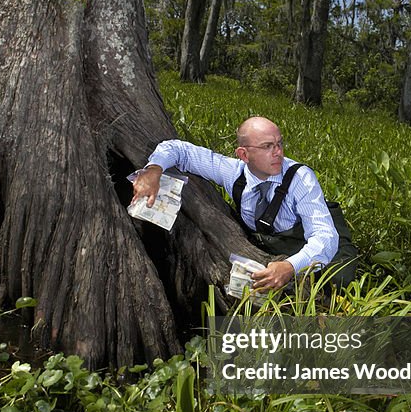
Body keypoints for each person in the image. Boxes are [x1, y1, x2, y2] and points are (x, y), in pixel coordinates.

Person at [131, 116, 346, 292]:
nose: (278, 152)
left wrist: (290, 266)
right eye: (267, 146)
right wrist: (154, 170)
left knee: (335, 284)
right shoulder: (233, 173)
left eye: (279, 143)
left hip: (318, 242)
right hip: (268, 243)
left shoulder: (301, 178)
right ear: (244, 154)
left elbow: (324, 236)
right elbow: (179, 150)